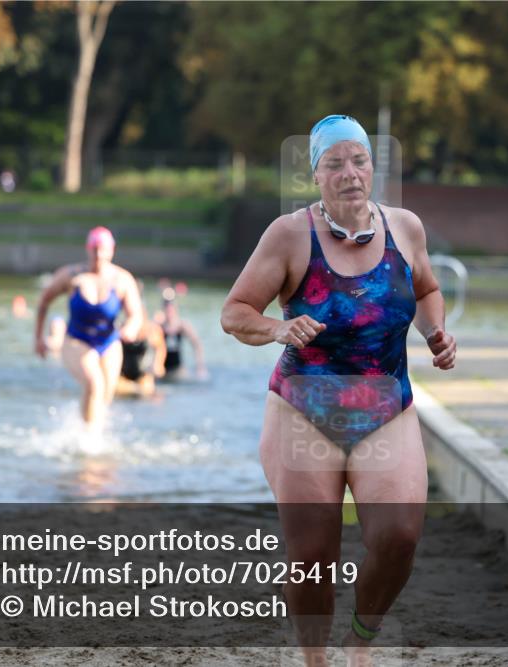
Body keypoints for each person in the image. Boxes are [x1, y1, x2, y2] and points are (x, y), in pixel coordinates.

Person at [220, 114, 456, 666]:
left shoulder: (405, 228)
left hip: (386, 406)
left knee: (398, 537)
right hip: (304, 410)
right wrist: (280, 328)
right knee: (312, 555)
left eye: (359, 160)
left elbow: (427, 288)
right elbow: (235, 313)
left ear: (372, 167)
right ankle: (314, 660)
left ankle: (360, 642)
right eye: (334, 163)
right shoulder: (289, 235)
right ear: (317, 175)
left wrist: (436, 332)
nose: (349, 172)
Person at [34, 226, 143, 430]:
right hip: (77, 340)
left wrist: (130, 327)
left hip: (109, 342)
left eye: (102, 249)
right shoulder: (71, 275)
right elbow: (43, 302)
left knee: (104, 398)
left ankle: (87, 433)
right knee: (94, 384)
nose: (98, 254)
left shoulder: (122, 279)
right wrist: (38, 338)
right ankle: (87, 439)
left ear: (112, 250)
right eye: (94, 249)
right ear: (87, 249)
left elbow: (136, 314)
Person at [118, 280, 168, 398]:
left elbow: (160, 348)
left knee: (146, 388)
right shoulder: (121, 328)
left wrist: (158, 364)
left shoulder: (151, 329)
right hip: (123, 376)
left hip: (143, 376)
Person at [154, 286, 208, 380]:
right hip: (162, 369)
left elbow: (197, 345)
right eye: (166, 306)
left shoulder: (182, 325)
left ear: (175, 307)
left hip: (177, 369)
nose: (169, 309)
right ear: (163, 308)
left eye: (171, 306)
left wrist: (200, 367)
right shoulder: (159, 325)